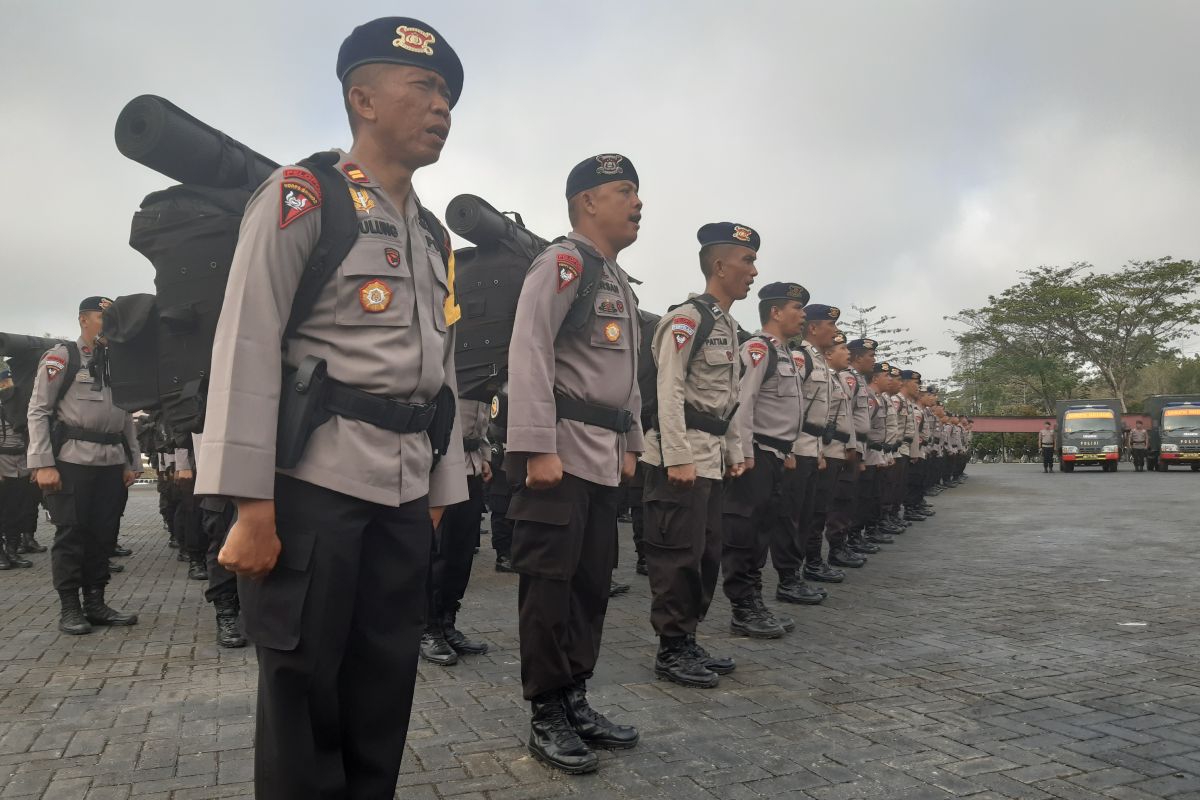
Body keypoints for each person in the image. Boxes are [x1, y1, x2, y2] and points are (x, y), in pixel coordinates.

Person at [197, 18, 468, 799]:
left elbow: (440, 373)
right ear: (363, 98)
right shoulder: (303, 194)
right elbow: (246, 344)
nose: (442, 107)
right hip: (315, 487)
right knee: (304, 692)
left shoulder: (432, 233)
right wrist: (250, 506)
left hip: (405, 491)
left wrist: (443, 491)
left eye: (447, 94)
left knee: (385, 686)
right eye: (423, 87)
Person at [504, 153, 644, 774]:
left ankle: (576, 697)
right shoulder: (563, 264)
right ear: (588, 201)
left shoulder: (617, 280)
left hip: (604, 458)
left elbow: (627, 378)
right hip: (560, 454)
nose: (638, 204)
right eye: (624, 192)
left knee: (591, 587)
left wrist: (634, 442)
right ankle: (546, 711)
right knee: (550, 588)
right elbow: (528, 348)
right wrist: (536, 445)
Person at [641, 222, 754, 688]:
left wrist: (734, 450)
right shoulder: (688, 318)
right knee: (676, 556)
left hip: (709, 456)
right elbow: (669, 389)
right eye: (746, 261)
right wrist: (676, 455)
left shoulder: (728, 327)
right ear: (720, 265)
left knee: (706, 554)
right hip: (680, 456)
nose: (753, 271)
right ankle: (671, 650)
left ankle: (688, 638)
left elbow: (724, 400)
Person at [26, 297, 142, 634]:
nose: (109, 322)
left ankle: (95, 602)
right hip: (71, 460)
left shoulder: (120, 362)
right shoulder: (63, 356)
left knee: (103, 535)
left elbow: (127, 418)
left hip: (110, 462)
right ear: (83, 320)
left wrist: (132, 460)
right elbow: (38, 410)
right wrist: (42, 463)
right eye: (103, 316)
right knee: (71, 534)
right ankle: (70, 608)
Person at [421, 397, 491, 665]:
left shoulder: (484, 365)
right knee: (438, 551)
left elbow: (481, 415)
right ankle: (428, 628)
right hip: (443, 464)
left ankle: (447, 621)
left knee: (461, 552)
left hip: (470, 463)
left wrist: (483, 453)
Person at [794, 304, 845, 585]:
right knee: (797, 516)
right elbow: (790, 408)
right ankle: (791, 574)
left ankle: (811, 562)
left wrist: (820, 450)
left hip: (815, 447)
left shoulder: (822, 365)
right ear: (813, 328)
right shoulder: (800, 358)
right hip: (798, 445)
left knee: (814, 512)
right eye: (831, 325)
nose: (835, 330)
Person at [0, 365, 37, 570]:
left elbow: (30, 437)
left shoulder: (23, 407)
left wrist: (33, 466)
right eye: (4, 382)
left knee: (16, 511)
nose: (7, 386)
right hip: (2, 463)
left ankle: (12, 550)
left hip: (21, 464)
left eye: (9, 382)